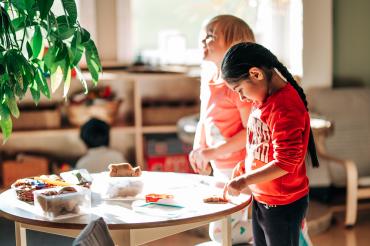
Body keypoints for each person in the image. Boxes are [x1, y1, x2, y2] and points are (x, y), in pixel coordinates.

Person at [221, 42, 319, 246]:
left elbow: (286, 162)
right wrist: (245, 167)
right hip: (264, 198)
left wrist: (246, 180)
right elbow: (260, 145)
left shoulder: (285, 108)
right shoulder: (262, 101)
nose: (241, 97)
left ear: (256, 74)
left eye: (240, 89)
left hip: (283, 204)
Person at [189, 15, 255, 244]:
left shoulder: (237, 87)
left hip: (239, 171)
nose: (203, 41)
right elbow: (203, 120)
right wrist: (199, 149)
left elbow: (250, 133)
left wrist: (212, 153)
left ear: (232, 47)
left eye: (211, 36)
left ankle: (267, 229)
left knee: (219, 232)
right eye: (204, 34)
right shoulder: (209, 80)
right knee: (221, 228)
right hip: (220, 168)